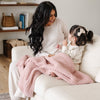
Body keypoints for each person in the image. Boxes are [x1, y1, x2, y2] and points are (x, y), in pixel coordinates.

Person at [9, 1, 68, 100]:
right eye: (50, 16)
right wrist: (47, 56)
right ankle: (14, 98)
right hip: (42, 57)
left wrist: (61, 50)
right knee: (14, 66)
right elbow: (36, 49)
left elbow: (67, 39)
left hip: (57, 58)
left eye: (54, 15)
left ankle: (19, 94)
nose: (53, 18)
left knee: (30, 68)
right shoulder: (35, 28)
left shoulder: (59, 23)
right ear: (42, 16)